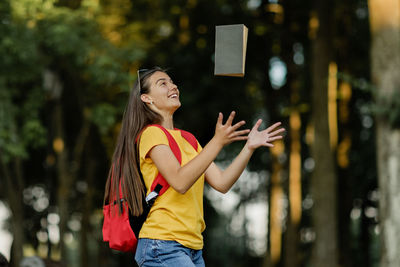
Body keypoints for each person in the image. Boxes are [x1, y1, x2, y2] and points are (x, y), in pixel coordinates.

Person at [103, 67, 285, 266]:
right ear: (147, 98)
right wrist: (217, 141)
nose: (173, 86)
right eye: (162, 83)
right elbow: (180, 182)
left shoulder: (188, 139)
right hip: (163, 244)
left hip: (193, 248)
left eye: (172, 82)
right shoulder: (151, 134)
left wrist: (249, 148)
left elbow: (222, 183)